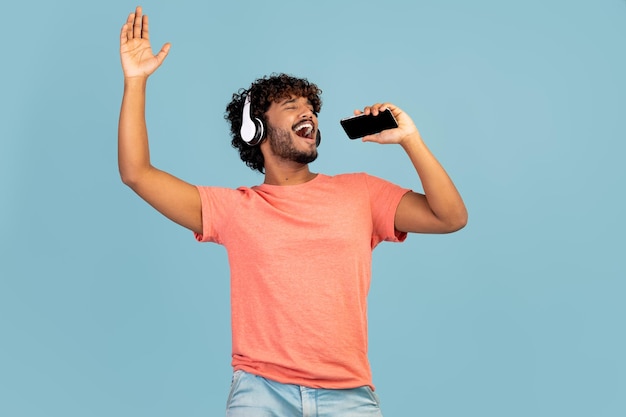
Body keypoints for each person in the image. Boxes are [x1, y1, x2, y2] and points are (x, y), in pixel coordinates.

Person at [118, 6, 467, 417]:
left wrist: (411, 140)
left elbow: (450, 217)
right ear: (256, 131)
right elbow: (137, 173)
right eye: (290, 105)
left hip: (349, 396)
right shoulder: (233, 208)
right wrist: (136, 81)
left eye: (311, 107)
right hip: (260, 393)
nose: (309, 113)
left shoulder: (361, 193)